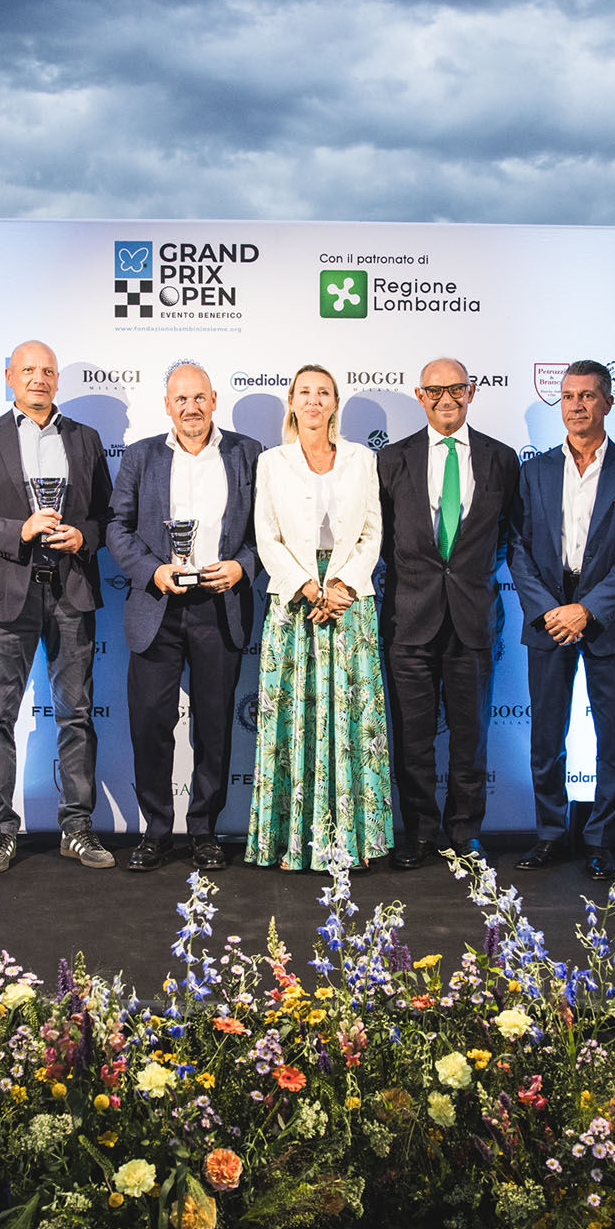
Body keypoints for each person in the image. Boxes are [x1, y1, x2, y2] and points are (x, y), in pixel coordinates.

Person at [0, 340, 113, 873]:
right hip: (5, 593)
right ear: (10, 377)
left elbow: (106, 518)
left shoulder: (85, 439)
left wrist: (82, 537)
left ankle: (76, 828)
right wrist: (19, 529)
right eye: (28, 370)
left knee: (76, 715)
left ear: (57, 379)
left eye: (47, 371)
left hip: (70, 591)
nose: (39, 378)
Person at [506, 360, 615, 880]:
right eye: (569, 396)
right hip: (548, 615)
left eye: (588, 395)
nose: (576, 405)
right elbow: (518, 547)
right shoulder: (534, 471)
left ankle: (600, 839)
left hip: (606, 617)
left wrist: (589, 609)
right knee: (545, 738)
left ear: (608, 403)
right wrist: (549, 609)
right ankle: (551, 834)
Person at [106, 361, 261, 871]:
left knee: (214, 726)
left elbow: (266, 531)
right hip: (158, 606)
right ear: (167, 405)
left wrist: (242, 566)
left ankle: (204, 830)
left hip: (219, 604)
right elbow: (116, 527)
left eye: (199, 398)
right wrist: (153, 571)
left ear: (214, 400)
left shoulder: (248, 453)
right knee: (151, 723)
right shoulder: (140, 456)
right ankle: (155, 830)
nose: (191, 407)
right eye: (181, 399)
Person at [245, 365, 391, 871]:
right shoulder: (271, 462)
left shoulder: (362, 459)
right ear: (291, 401)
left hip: (351, 599)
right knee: (294, 718)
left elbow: (373, 531)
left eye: (322, 392)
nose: (313, 400)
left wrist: (343, 584)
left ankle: (356, 841)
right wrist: (307, 586)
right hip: (294, 601)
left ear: (335, 403)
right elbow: (266, 536)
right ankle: (292, 843)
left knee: (353, 718)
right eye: (304, 392)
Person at [377, 357, 520, 869]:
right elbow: (380, 538)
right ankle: (418, 834)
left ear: (471, 392)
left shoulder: (501, 459)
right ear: (420, 396)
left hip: (473, 618)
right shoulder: (392, 460)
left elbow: (510, 536)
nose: (446, 399)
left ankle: (465, 833)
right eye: (434, 391)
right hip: (409, 619)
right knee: (412, 737)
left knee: (470, 737)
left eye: (455, 389)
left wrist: (472, 575)